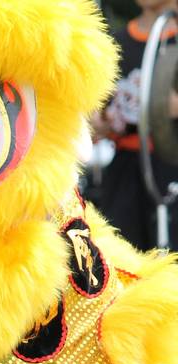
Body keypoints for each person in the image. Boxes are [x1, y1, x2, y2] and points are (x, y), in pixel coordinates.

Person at [94, 0, 178, 250]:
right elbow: (101, 112)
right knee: (122, 255)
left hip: (171, 165)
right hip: (125, 170)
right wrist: (100, 123)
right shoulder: (116, 42)